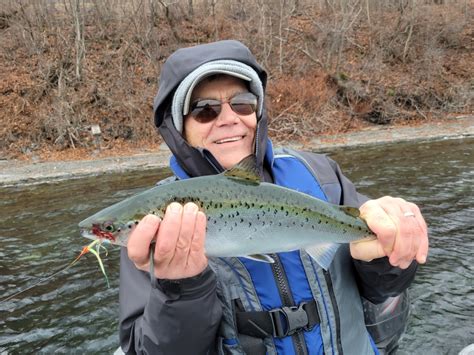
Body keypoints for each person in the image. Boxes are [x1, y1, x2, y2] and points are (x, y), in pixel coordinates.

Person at [118, 40, 428, 355]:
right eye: (205, 110)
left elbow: (384, 288)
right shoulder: (154, 224)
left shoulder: (321, 174)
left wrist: (386, 253)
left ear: (257, 110)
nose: (228, 118)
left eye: (242, 102)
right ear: (179, 127)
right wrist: (179, 290)